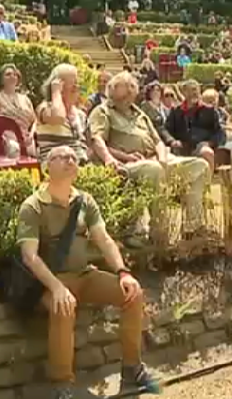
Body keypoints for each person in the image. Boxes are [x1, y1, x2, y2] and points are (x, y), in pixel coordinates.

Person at [17, 146, 160, 398]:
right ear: (46, 167)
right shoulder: (33, 206)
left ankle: (132, 368)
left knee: (132, 293)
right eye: (61, 157)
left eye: (73, 157)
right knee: (63, 306)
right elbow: (30, 256)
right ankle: (62, 384)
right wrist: (57, 288)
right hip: (51, 282)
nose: (70, 160)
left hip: (84, 275)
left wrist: (123, 272)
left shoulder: (85, 201)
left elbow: (104, 240)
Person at [88, 72, 209, 246]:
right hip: (128, 164)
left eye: (130, 93)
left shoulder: (140, 114)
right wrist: (117, 157)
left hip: (156, 159)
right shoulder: (103, 111)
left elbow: (158, 141)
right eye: (122, 95)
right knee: (154, 170)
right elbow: (96, 140)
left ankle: (192, 228)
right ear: (112, 93)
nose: (126, 98)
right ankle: (159, 231)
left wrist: (162, 157)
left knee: (199, 166)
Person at [35, 64, 90, 165]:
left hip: (80, 165)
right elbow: (58, 117)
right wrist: (56, 93)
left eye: (77, 84)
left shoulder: (80, 115)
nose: (77, 88)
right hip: (55, 166)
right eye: (73, 85)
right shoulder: (45, 108)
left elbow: (88, 145)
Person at [165, 80, 224, 172]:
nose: (195, 93)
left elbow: (219, 132)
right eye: (191, 90)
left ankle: (207, 183)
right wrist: (172, 141)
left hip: (200, 145)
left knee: (207, 152)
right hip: (181, 146)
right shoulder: (176, 111)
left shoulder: (209, 111)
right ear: (184, 92)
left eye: (196, 90)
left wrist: (210, 143)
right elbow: (166, 130)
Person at [0, 63, 36, 158]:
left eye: (15, 74)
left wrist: (31, 135)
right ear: (1, 79)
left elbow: (35, 121)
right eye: (8, 74)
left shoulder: (25, 99)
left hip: (28, 140)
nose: (12, 76)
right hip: (7, 141)